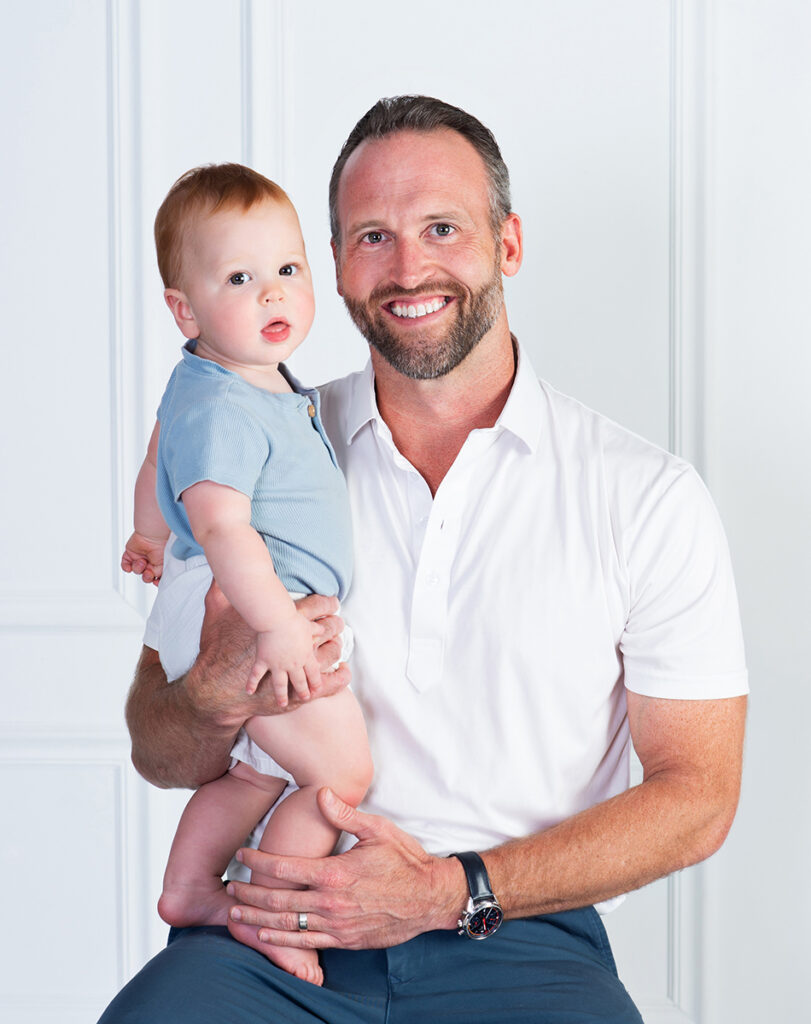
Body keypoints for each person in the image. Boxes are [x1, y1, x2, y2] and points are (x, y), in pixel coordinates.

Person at [100, 96, 748, 1023]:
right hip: (265, 932)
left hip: (514, 936)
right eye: (372, 236)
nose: (408, 268)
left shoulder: (645, 495)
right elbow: (157, 749)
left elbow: (698, 799)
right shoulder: (258, 448)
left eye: (441, 227)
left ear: (508, 243)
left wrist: (453, 889)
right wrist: (213, 688)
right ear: (332, 265)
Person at [120, 163, 372, 985]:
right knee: (339, 774)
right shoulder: (230, 402)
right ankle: (278, 914)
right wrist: (275, 628)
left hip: (221, 599)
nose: (272, 295)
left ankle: (191, 887)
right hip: (255, 608)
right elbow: (225, 525)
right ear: (182, 308)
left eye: (287, 271)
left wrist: (148, 532)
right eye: (240, 277)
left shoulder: (219, 383)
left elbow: (161, 447)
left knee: (257, 773)